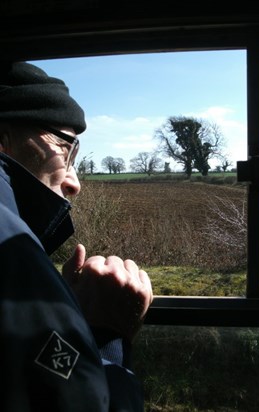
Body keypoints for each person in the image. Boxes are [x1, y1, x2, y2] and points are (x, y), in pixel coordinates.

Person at [0, 61, 153, 411]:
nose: (75, 182)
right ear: (2, 141)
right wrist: (105, 335)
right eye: (67, 150)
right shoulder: (13, 252)